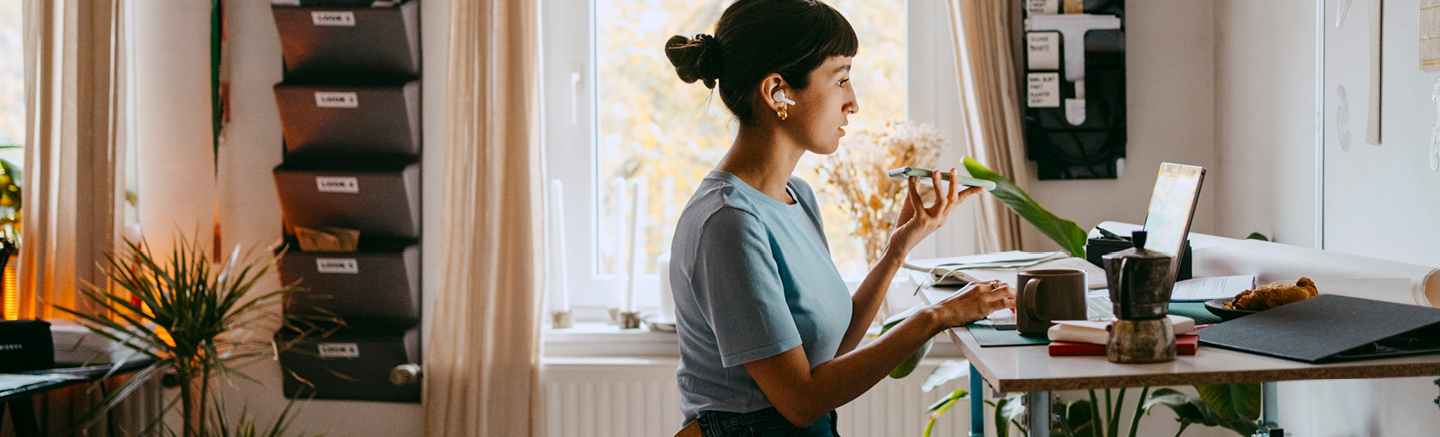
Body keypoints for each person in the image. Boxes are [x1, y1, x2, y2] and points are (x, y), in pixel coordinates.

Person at [663, 1, 1016, 436]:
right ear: (778, 92)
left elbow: (830, 347)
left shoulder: (798, 197)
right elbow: (800, 400)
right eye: (842, 79)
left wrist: (898, 248)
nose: (854, 102)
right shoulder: (729, 223)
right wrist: (936, 316)